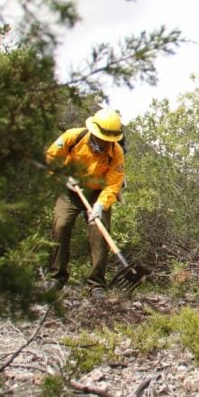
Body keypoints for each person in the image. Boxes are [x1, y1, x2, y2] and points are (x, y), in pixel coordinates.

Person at [45, 108, 126, 297]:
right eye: (103, 138)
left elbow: (114, 184)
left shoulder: (117, 152)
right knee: (62, 224)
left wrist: (100, 205)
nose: (106, 143)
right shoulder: (73, 137)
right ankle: (57, 278)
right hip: (71, 190)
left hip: (98, 193)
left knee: (100, 231)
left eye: (110, 140)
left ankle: (97, 284)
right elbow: (51, 157)